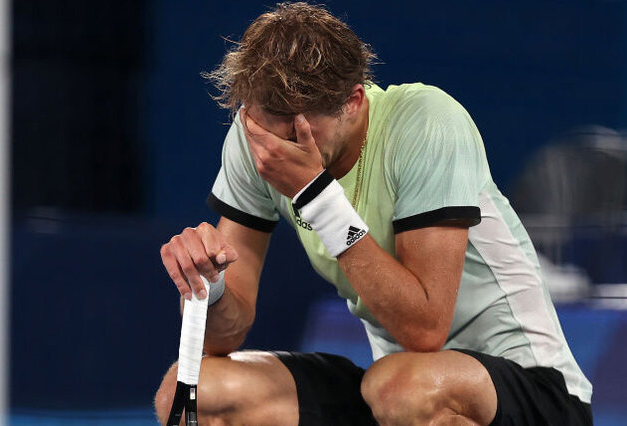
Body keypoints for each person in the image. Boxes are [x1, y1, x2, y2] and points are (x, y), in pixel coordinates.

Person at [155, 2, 593, 425]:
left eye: (300, 131)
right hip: (397, 396)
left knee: (402, 388)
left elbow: (424, 330)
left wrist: (316, 195)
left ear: (353, 102)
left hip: (533, 394)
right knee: (194, 391)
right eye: (263, 127)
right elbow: (222, 337)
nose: (278, 148)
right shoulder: (257, 140)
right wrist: (207, 286)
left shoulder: (427, 122)